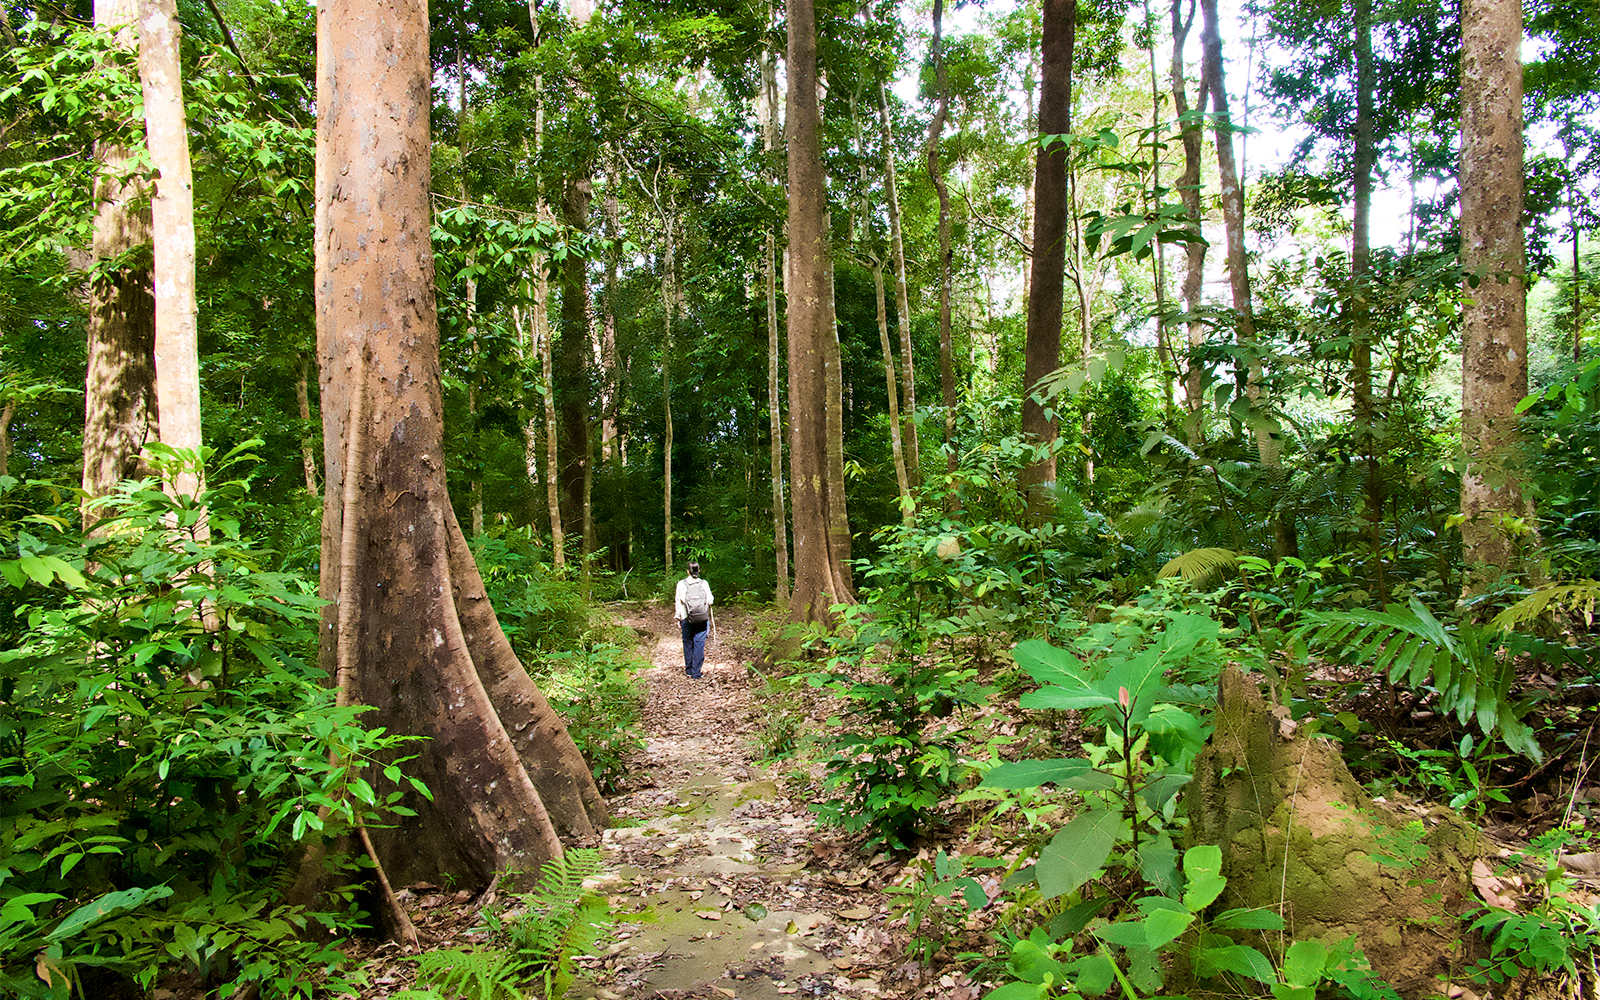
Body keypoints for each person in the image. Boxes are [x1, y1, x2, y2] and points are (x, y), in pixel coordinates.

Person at [673, 562, 714, 679]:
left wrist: (678, 617)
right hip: (701, 618)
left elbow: (678, 602)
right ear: (699, 571)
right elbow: (710, 600)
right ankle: (696, 672)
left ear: (687, 571)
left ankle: (689, 670)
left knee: (688, 643)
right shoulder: (704, 583)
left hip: (686, 618)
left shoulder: (681, 584)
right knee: (699, 644)